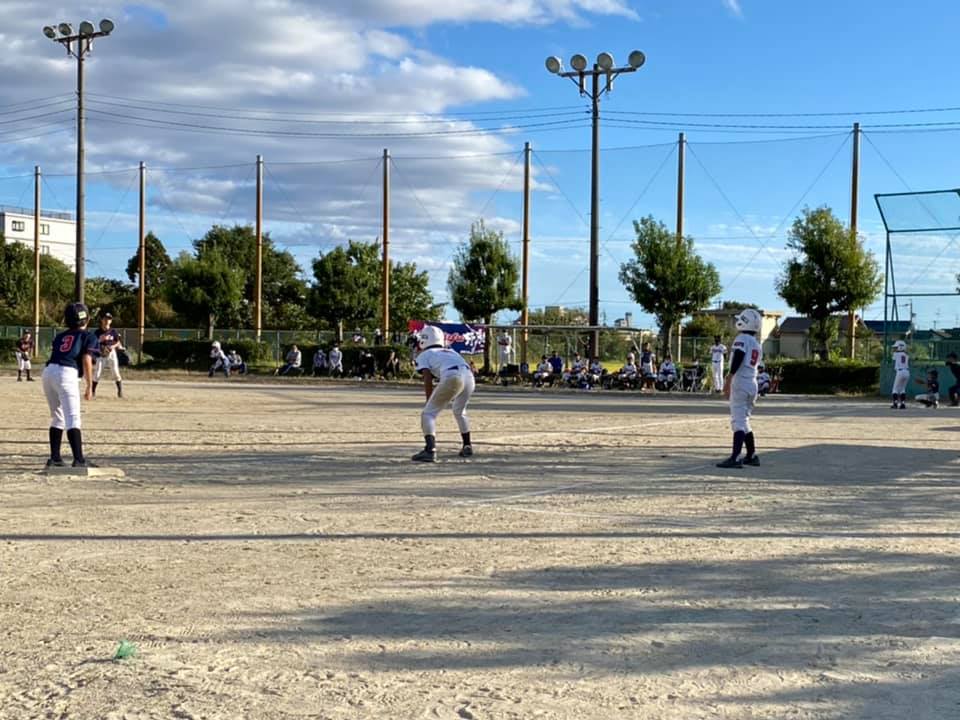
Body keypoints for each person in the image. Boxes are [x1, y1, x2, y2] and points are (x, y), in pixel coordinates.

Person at [42, 302, 100, 468]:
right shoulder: (89, 336)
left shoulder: (60, 336)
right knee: (73, 417)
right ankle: (79, 459)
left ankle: (55, 458)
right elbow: (87, 359)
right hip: (66, 373)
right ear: (87, 319)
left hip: (48, 372)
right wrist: (89, 385)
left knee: (58, 416)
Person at [411, 325, 475, 462]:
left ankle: (430, 450)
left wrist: (429, 400)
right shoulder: (451, 351)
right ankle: (467, 445)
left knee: (428, 413)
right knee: (460, 411)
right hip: (469, 377)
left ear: (424, 340)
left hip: (453, 376)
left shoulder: (425, 354)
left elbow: (427, 377)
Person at [717, 309, 763, 469]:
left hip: (741, 382)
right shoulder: (757, 343)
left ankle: (735, 457)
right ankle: (751, 455)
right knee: (745, 421)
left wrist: (729, 378)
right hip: (752, 383)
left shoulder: (742, 338)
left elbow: (739, 356)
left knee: (738, 421)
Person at [92, 312, 124, 398]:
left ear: (111, 321)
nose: (107, 320)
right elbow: (93, 343)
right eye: (105, 319)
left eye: (109, 319)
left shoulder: (113, 331)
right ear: (102, 320)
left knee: (116, 372)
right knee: (97, 373)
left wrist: (113, 347)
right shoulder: (97, 332)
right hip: (101, 354)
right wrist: (100, 341)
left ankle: (120, 391)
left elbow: (118, 342)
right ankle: (92, 391)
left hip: (111, 353)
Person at [891, 340, 909, 410]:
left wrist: (895, 351)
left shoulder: (896, 354)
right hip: (907, 372)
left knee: (895, 389)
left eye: (896, 347)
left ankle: (895, 404)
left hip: (900, 372)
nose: (895, 348)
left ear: (900, 347)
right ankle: (903, 404)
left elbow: (893, 358)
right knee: (902, 389)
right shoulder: (907, 354)